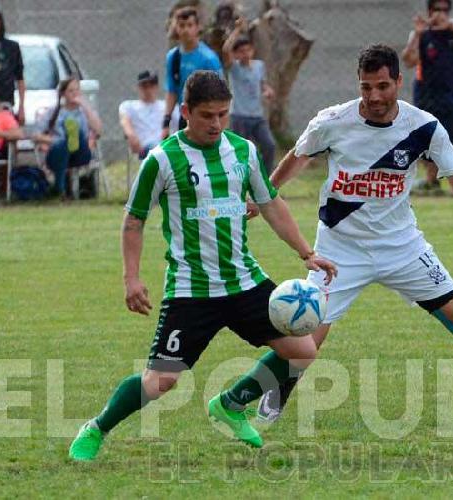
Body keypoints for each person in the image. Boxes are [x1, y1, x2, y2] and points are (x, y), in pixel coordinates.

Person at [255, 44, 453, 423]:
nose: (374, 96)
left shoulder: (422, 127)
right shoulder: (332, 121)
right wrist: (265, 194)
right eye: (366, 87)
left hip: (402, 247)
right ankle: (271, 397)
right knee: (306, 339)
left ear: (399, 82)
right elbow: (298, 155)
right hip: (340, 250)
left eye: (383, 86)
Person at [67, 70, 338, 461]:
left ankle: (231, 404)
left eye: (222, 115)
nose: (216, 123)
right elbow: (134, 221)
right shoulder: (161, 160)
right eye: (207, 115)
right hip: (191, 291)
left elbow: (271, 204)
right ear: (185, 112)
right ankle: (96, 427)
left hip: (244, 282)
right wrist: (131, 278)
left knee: (303, 351)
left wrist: (305, 252)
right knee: (160, 382)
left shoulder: (243, 151)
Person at [402, 0, 453, 195]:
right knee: (425, 135)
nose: (441, 14)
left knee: (452, 131)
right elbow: (408, 60)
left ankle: (438, 178)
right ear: (430, 11)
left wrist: (451, 25)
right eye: (437, 10)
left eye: (445, 10)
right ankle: (431, 180)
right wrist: (418, 34)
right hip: (426, 92)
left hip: (449, 92)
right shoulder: (422, 33)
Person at [222, 17, 278, 175]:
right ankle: (240, 182)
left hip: (257, 116)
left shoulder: (259, 66)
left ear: (252, 50)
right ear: (236, 54)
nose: (245, 54)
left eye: (248, 50)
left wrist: (267, 90)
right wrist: (237, 30)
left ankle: (267, 181)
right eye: (241, 51)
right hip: (239, 116)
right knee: (240, 152)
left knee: (269, 145)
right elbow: (226, 50)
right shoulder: (234, 68)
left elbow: (262, 84)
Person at [161, 8, 225, 140]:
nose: (185, 30)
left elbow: (220, 93)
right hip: (185, 117)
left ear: (197, 28)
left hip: (206, 118)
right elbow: (172, 90)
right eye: (181, 26)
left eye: (189, 25)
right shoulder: (173, 57)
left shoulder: (208, 59)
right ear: (176, 28)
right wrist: (166, 121)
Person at [36, 78, 104, 200]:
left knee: (76, 135)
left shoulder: (85, 112)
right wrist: (54, 141)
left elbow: (99, 131)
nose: (75, 93)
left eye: (77, 90)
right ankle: (68, 140)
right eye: (71, 91)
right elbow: (36, 135)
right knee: (62, 143)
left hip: (80, 154)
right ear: (63, 94)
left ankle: (59, 188)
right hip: (56, 154)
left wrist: (85, 105)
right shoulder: (53, 112)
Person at [119, 71, 168, 160]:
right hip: (144, 148)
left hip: (165, 146)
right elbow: (125, 123)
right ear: (138, 87)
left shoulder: (166, 107)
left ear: (157, 87)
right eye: (145, 86)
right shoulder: (129, 106)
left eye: (152, 85)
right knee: (156, 149)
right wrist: (131, 136)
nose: (148, 89)